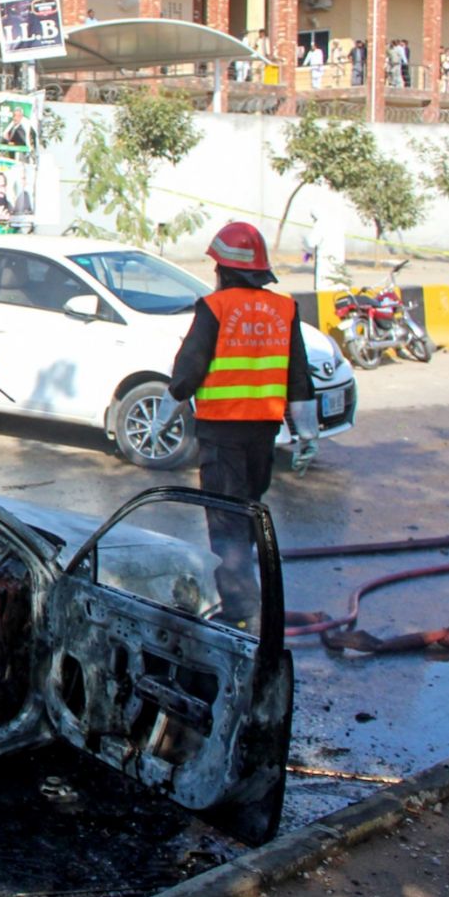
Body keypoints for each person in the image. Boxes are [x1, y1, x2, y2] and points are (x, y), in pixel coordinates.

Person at [158, 222, 316, 623]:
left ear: (223, 270)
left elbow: (187, 373)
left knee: (226, 523)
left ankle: (242, 612)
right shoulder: (284, 309)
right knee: (249, 513)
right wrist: (307, 435)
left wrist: (162, 419)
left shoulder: (215, 308)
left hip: (222, 434)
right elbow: (299, 377)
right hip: (263, 434)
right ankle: (251, 599)